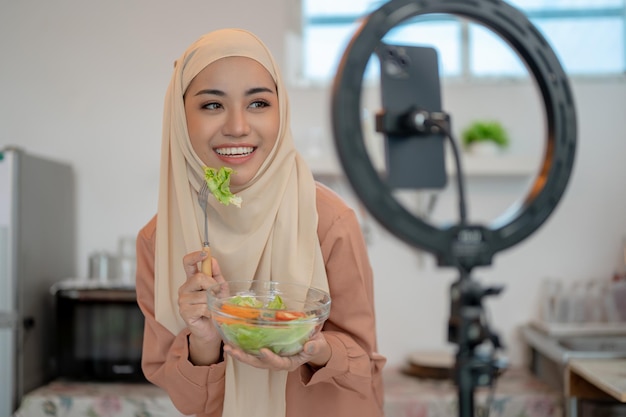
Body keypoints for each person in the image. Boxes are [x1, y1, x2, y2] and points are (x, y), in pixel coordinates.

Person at [135, 28, 386, 417]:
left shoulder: (329, 221)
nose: (237, 126)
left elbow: (363, 369)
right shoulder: (160, 240)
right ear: (180, 119)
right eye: (212, 106)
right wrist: (203, 338)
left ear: (280, 111)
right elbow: (190, 403)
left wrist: (312, 348)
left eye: (258, 103)